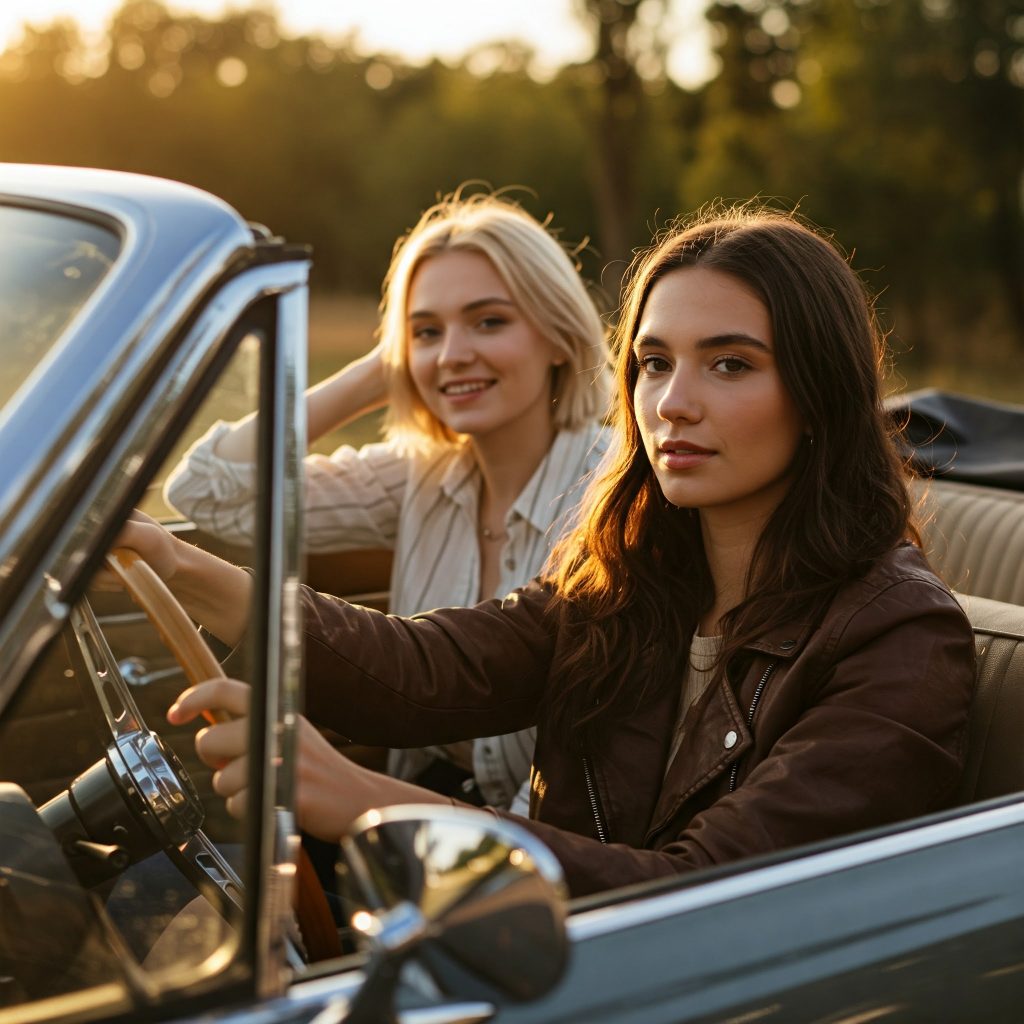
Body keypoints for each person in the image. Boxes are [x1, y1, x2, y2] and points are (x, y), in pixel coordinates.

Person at [127, 204, 976, 899]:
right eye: (652, 362)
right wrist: (173, 563)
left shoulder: (899, 637)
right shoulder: (635, 571)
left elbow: (700, 894)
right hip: (537, 946)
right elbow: (431, 668)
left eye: (729, 364)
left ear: (820, 392)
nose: (671, 403)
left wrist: (374, 803)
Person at [164, 191, 611, 814]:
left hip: (539, 835)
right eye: (427, 330)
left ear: (560, 336)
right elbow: (211, 491)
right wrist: (384, 369)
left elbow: (587, 790)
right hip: (411, 802)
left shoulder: (616, 489)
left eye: (489, 321)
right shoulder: (418, 475)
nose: (454, 353)